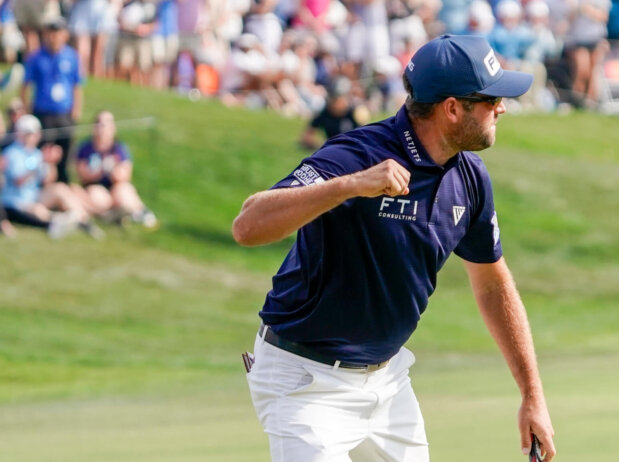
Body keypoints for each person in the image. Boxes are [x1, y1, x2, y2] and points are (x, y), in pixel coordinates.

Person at [232, 34, 556, 462]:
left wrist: (532, 395)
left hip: (388, 384)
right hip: (305, 382)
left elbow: (494, 285)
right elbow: (248, 225)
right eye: (491, 100)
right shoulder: (357, 154)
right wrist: (349, 187)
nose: (502, 108)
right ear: (453, 108)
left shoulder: (470, 177)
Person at [1, 114, 102, 239]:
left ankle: (83, 220)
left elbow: (48, 180)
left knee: (59, 188)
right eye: (28, 133)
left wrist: (50, 163)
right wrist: (41, 162)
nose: (32, 137)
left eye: (34, 133)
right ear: (20, 134)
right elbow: (19, 181)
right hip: (16, 201)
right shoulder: (12, 153)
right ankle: (59, 222)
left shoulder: (37, 154)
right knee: (38, 210)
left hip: (34, 196)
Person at [20, 17, 84, 184]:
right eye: (51, 33)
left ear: (64, 34)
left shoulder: (71, 56)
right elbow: (25, 85)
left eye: (58, 32)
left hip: (64, 112)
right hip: (43, 112)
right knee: (44, 152)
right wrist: (26, 110)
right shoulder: (36, 57)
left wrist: (76, 110)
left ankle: (63, 182)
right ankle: (42, 184)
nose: (54, 37)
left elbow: (77, 85)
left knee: (65, 151)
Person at [72, 110, 157, 228]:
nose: (102, 128)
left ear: (113, 128)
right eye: (99, 123)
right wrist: (100, 170)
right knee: (97, 196)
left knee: (123, 191)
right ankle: (113, 215)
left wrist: (112, 169)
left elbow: (125, 176)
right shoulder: (85, 148)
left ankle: (141, 213)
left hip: (115, 188)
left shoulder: (119, 149)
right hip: (94, 187)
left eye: (106, 124)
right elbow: (82, 174)